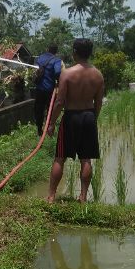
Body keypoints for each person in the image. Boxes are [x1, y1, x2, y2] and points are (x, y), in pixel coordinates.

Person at [46, 38, 104, 203]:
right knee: (86, 158)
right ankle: (83, 196)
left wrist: (50, 123)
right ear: (90, 53)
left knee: (60, 157)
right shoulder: (98, 75)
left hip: (71, 117)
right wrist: (94, 118)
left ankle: (51, 195)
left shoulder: (68, 73)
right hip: (89, 116)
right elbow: (98, 102)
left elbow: (59, 101)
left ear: (75, 52)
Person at [34, 44, 63, 136]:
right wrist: (58, 81)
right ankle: (49, 129)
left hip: (39, 89)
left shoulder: (40, 58)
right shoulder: (56, 60)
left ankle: (39, 129)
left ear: (47, 49)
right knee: (50, 109)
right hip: (50, 90)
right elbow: (58, 72)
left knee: (39, 110)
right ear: (56, 51)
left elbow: (35, 69)